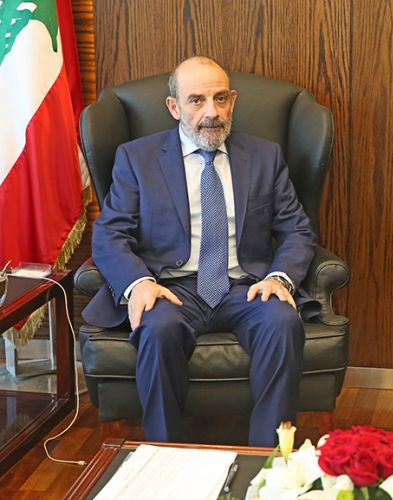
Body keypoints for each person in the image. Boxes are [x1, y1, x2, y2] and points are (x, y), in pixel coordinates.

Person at [83, 56, 318, 446]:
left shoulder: (265, 156)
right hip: (170, 288)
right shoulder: (138, 158)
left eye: (220, 98)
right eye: (196, 100)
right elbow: (110, 234)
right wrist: (139, 284)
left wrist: (279, 278)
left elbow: (296, 230)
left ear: (233, 101)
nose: (212, 112)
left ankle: (268, 461)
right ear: (174, 107)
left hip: (245, 288)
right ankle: (166, 456)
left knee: (282, 322)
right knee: (157, 328)